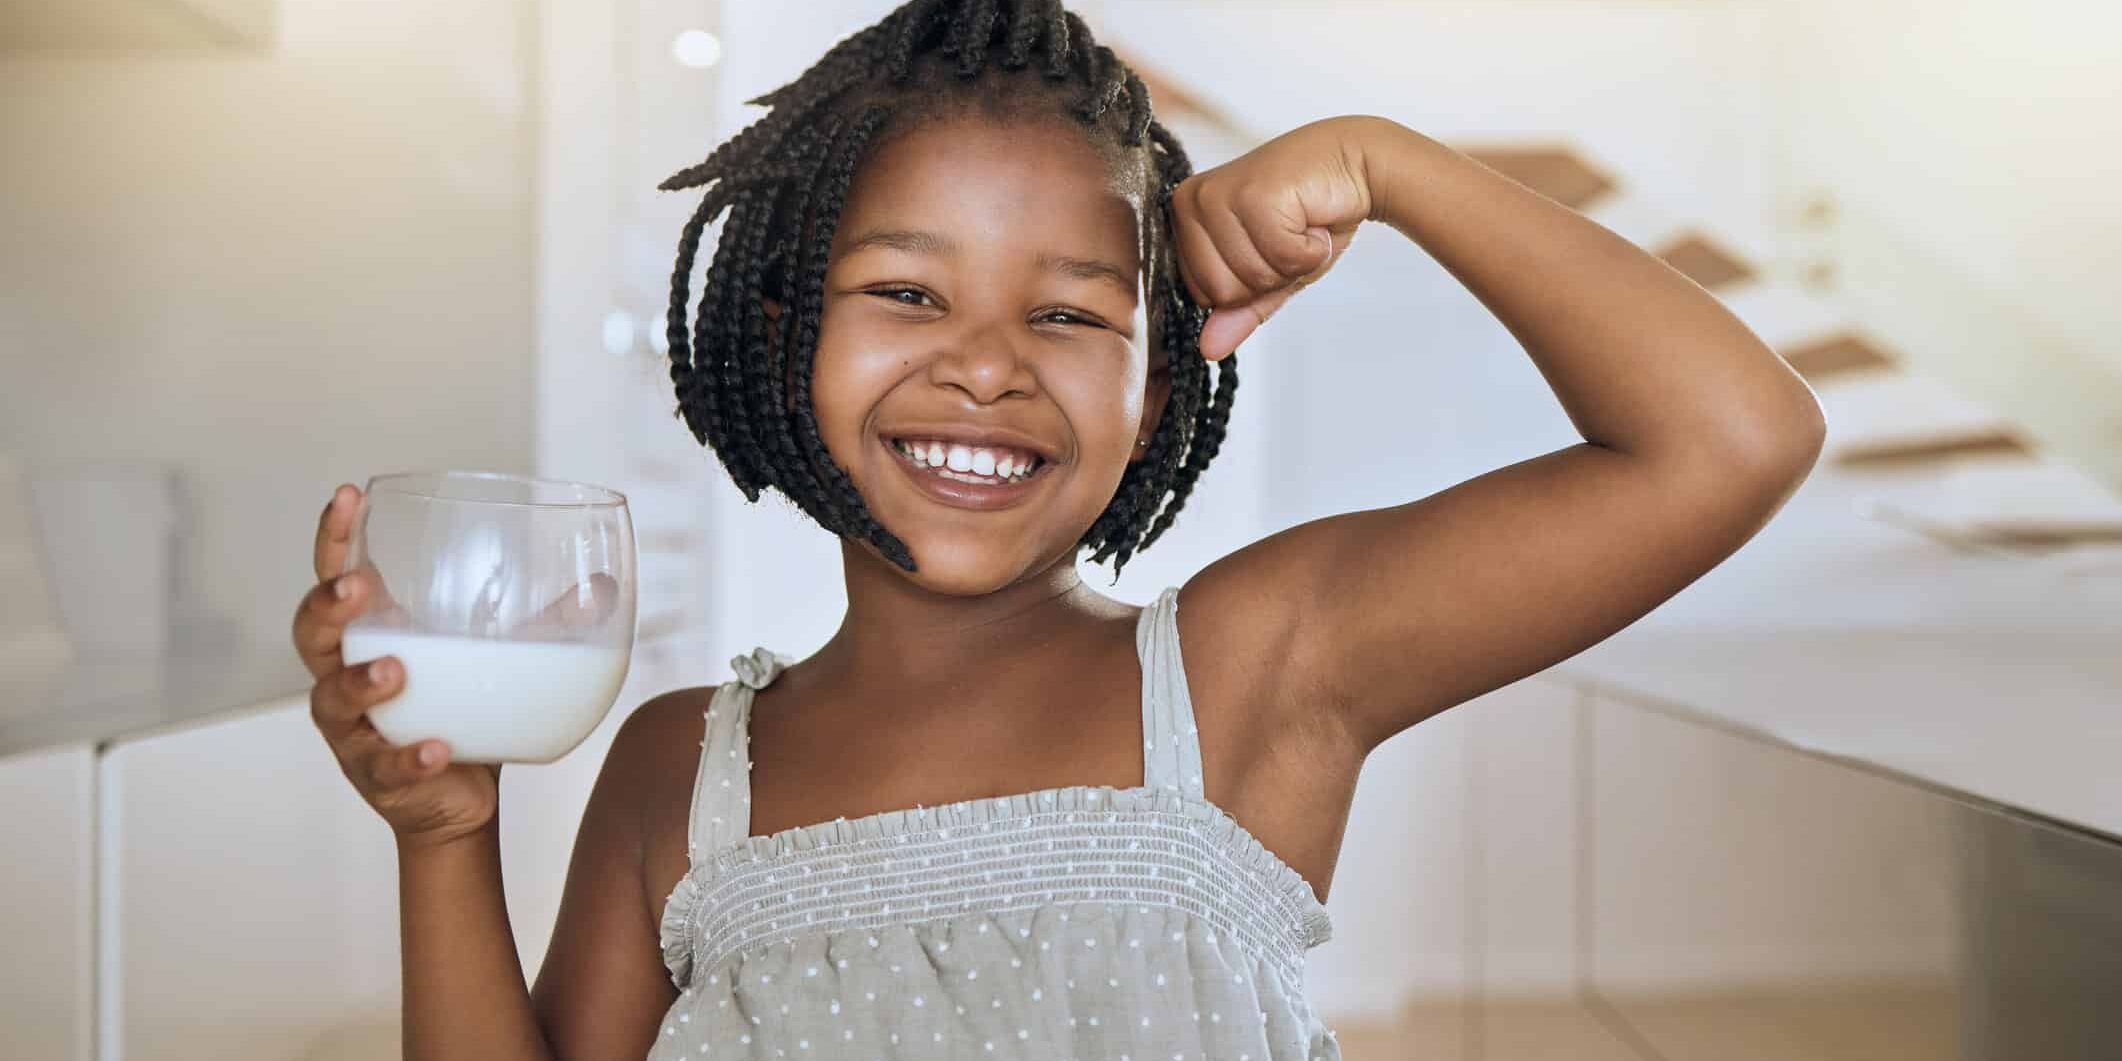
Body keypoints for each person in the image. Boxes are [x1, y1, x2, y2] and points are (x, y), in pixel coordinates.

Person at [290, 1, 1825, 1057]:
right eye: (905, 291)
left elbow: (1730, 438)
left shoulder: (1253, 669)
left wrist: (1388, 163)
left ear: (1158, 371)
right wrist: (446, 834)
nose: (986, 362)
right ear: (777, 330)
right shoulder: (679, 773)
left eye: (1069, 313)